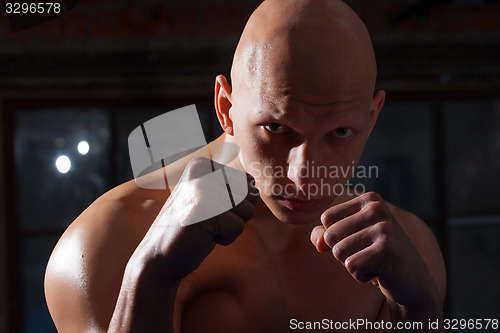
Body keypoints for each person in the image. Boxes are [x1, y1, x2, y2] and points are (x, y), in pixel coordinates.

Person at [44, 0, 446, 332]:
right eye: (277, 128)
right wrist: (150, 274)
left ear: (372, 118)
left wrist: (419, 308)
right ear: (226, 108)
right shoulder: (107, 242)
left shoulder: (405, 252)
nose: (303, 173)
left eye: (340, 132)